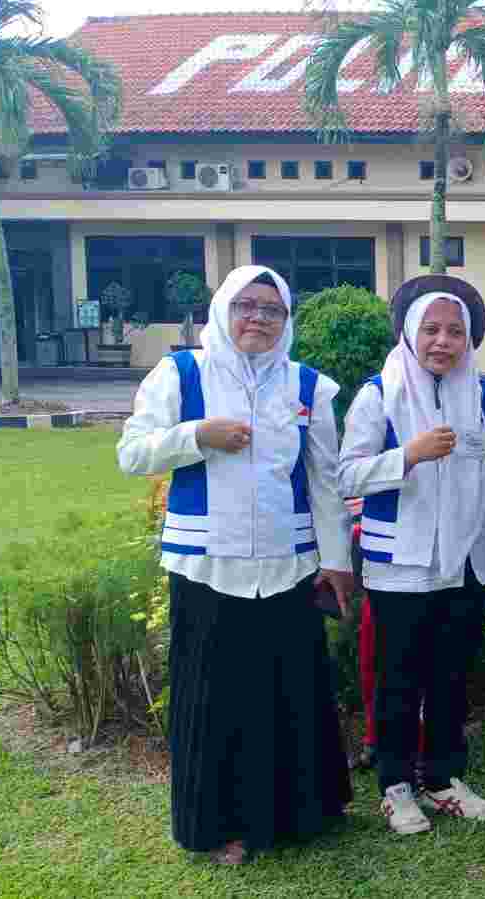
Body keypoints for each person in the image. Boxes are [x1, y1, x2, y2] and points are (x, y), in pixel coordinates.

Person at [117, 265, 354, 865]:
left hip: (288, 565)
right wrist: (198, 434)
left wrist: (336, 562)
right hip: (207, 566)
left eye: (272, 310)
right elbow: (132, 451)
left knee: (290, 694)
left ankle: (304, 814)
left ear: (286, 319)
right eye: (246, 305)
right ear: (223, 309)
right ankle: (218, 824)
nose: (258, 318)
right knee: (215, 699)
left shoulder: (308, 387)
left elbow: (324, 481)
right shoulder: (182, 373)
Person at [338, 275, 485, 835]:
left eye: (455, 331)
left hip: (467, 566)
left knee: (451, 678)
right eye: (431, 330)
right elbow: (346, 473)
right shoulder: (379, 394)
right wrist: (408, 455)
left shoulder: (484, 396)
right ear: (409, 332)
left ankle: (444, 778)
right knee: (398, 682)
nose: (443, 341)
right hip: (401, 567)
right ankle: (396, 787)